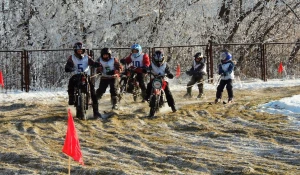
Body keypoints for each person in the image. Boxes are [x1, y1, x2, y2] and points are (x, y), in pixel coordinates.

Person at [65, 42, 102, 118]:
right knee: (71, 83)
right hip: (76, 75)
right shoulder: (71, 57)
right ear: (75, 51)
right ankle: (71, 98)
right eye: (78, 50)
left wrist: (97, 64)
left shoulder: (87, 57)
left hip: (86, 75)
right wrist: (68, 67)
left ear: (83, 50)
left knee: (93, 91)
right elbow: (68, 64)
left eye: (81, 50)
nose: (80, 52)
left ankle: (96, 111)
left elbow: (93, 63)